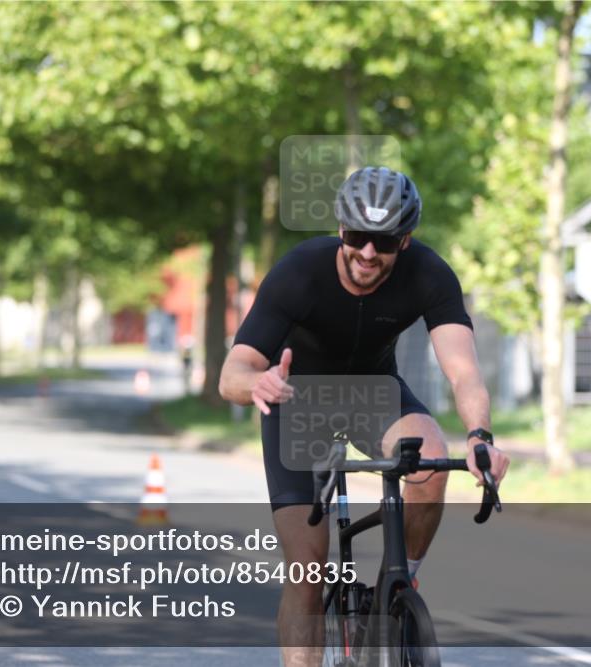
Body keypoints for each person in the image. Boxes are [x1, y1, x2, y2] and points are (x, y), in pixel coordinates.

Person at [218, 166, 510, 666]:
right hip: (296, 404)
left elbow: (463, 371)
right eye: (356, 237)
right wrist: (257, 383)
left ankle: (399, 584)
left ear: (406, 239)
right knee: (308, 572)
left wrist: (480, 436)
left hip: (375, 395)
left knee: (431, 458)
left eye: (385, 241)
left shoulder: (429, 273)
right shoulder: (299, 271)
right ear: (339, 230)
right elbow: (232, 373)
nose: (368, 253)